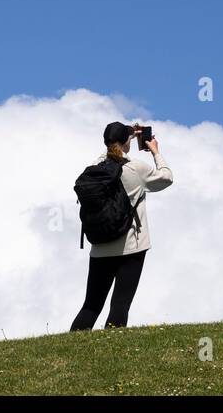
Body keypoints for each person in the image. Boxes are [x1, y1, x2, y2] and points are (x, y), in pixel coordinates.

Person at [70, 121, 174, 330]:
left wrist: (126, 135)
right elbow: (166, 178)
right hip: (132, 246)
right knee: (120, 304)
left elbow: (108, 155)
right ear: (128, 142)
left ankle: (71, 349)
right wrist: (155, 152)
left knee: (91, 305)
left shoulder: (95, 168)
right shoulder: (136, 168)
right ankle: (110, 349)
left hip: (100, 246)